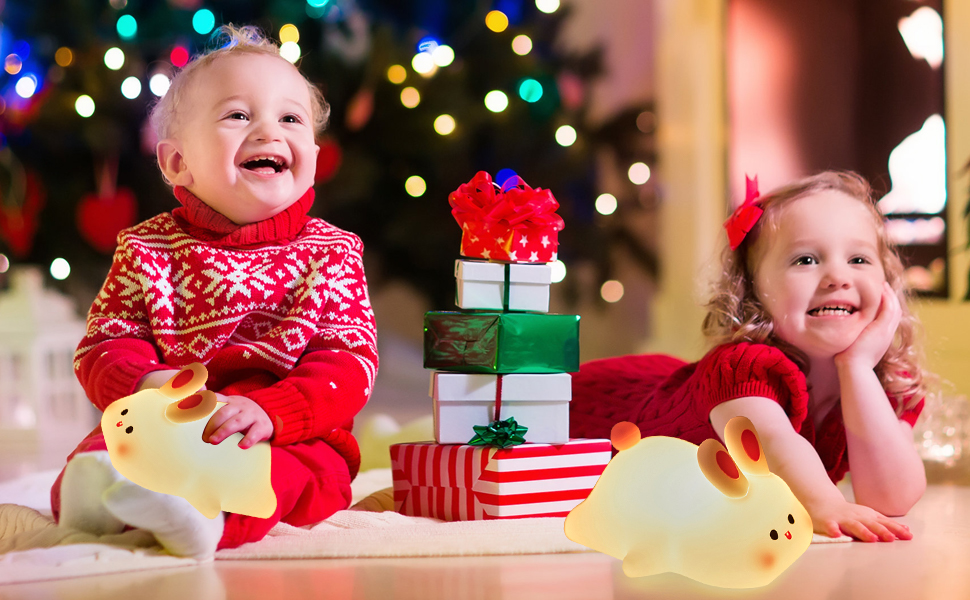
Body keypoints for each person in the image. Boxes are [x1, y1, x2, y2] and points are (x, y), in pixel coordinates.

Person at [49, 24, 378, 559]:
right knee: (106, 448)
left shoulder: (332, 253)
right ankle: (98, 499)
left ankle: (208, 519)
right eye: (238, 116)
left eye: (290, 119)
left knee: (294, 477)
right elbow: (103, 344)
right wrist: (147, 382)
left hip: (286, 432)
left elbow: (347, 364)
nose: (269, 133)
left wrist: (275, 411)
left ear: (314, 155)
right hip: (171, 413)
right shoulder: (147, 248)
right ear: (177, 163)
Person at [569, 171, 929, 543]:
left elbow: (892, 499)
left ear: (887, 283)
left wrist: (856, 368)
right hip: (617, 419)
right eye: (805, 260)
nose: (837, 276)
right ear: (753, 292)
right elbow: (775, 445)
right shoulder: (740, 370)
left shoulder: (884, 382)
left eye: (858, 259)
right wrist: (826, 504)